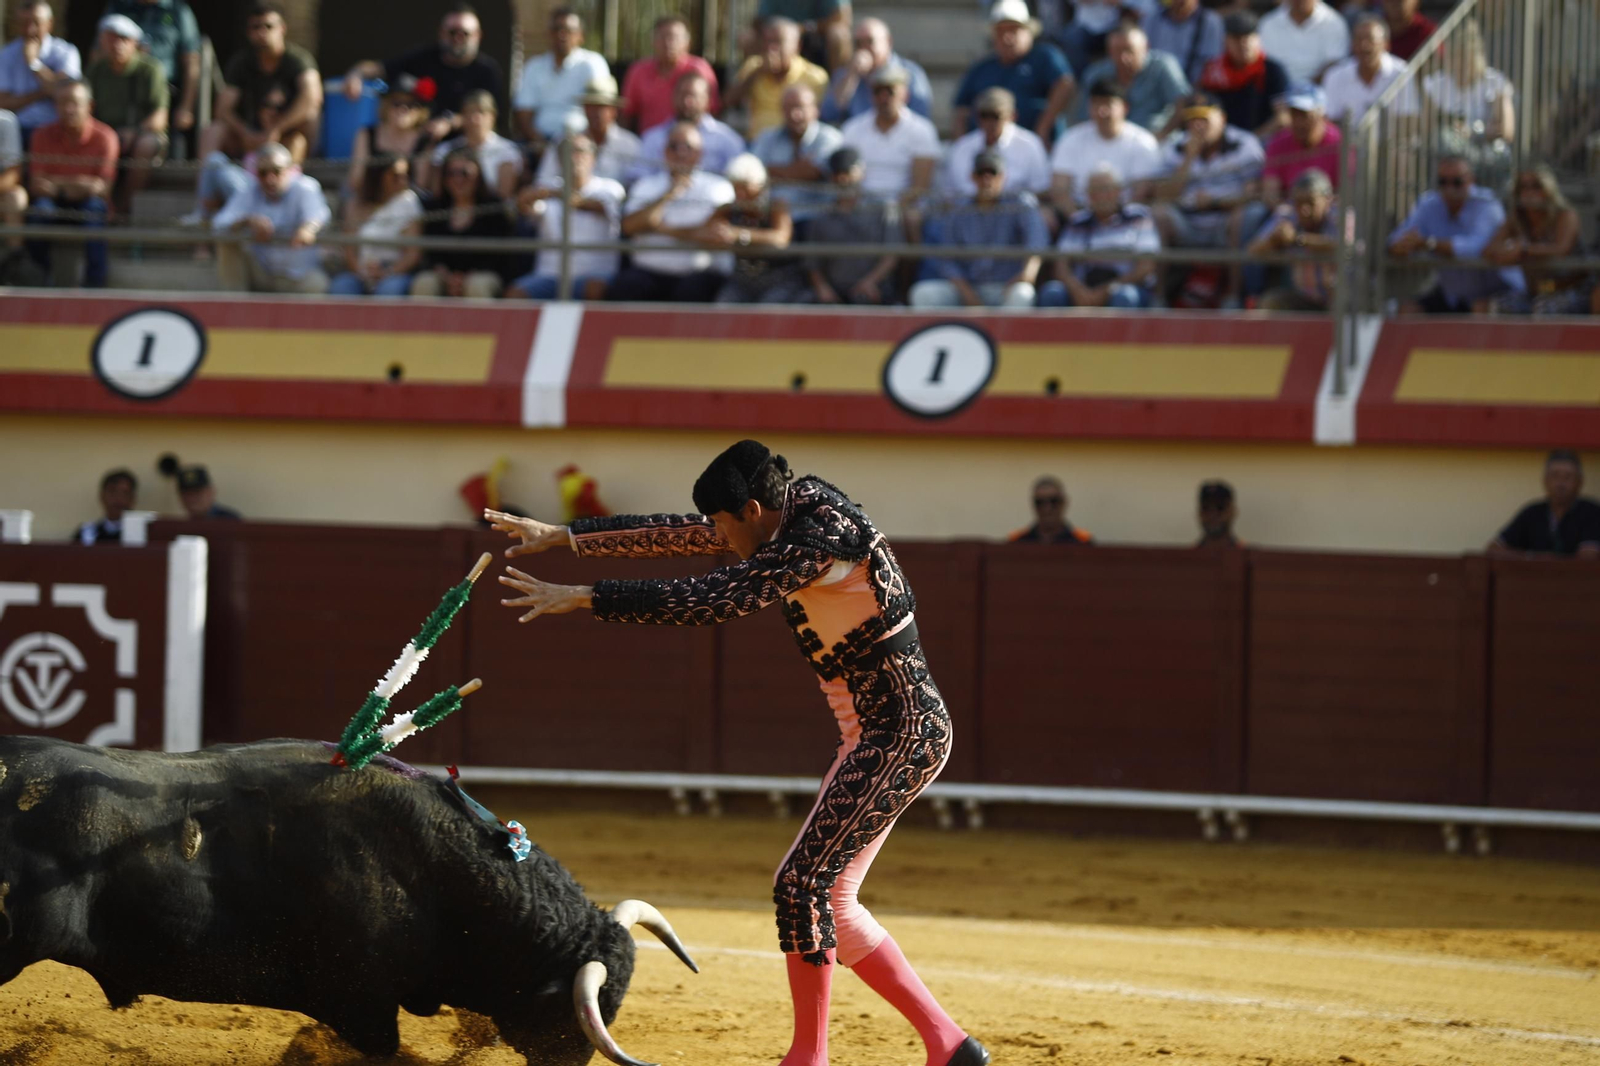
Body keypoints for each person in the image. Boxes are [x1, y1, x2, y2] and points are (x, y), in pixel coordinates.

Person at [487, 440, 991, 1066]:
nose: (719, 534)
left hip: (901, 732)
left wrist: (590, 596)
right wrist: (566, 534)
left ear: (753, 508)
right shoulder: (788, 510)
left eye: (726, 522)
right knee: (829, 898)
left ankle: (808, 1059)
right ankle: (949, 1046)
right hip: (878, 733)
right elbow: (687, 536)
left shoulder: (816, 539)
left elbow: (717, 597)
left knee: (802, 886)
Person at [1150, 92, 1266, 304]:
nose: (1198, 125)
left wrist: (1216, 202)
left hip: (1226, 221)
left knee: (1248, 215)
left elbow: (1255, 193)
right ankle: (1158, 299)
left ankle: (1233, 296)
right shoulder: (1176, 147)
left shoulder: (1244, 144)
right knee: (1158, 214)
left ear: (1222, 118)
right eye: (1193, 119)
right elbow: (1161, 195)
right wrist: (1188, 158)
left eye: (1204, 118)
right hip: (1188, 223)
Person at [341, 3, 507, 147]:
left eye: (464, 33)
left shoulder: (488, 71)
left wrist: (449, 122)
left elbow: (491, 116)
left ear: (477, 35)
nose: (457, 38)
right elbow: (378, 68)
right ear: (441, 33)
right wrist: (355, 74)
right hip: (420, 143)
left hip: (466, 148)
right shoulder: (423, 58)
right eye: (452, 32)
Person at [608, 121, 735, 302]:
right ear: (665, 152)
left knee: (691, 291)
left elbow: (714, 235)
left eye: (688, 147)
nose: (681, 153)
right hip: (649, 274)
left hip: (698, 276)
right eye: (674, 146)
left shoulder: (718, 187)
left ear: (700, 154)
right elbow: (628, 226)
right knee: (627, 285)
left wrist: (660, 228)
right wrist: (669, 195)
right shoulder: (646, 186)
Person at [910, 150, 1047, 309]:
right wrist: (968, 295)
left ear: (1003, 177)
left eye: (992, 173)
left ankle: (1008, 335)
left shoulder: (1021, 204)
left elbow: (1037, 244)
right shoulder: (959, 209)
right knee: (923, 294)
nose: (986, 179)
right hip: (968, 287)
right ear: (972, 177)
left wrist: (1025, 276)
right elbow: (947, 260)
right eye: (981, 174)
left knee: (1023, 294)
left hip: (1005, 287)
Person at [507, 134, 623, 301]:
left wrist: (555, 194)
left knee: (595, 290)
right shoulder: (547, 187)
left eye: (580, 151)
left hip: (594, 275)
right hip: (550, 276)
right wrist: (531, 195)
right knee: (515, 294)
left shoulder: (610, 187)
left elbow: (597, 206)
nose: (574, 157)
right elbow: (524, 205)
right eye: (567, 152)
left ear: (594, 157)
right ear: (559, 159)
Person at [202, 2, 320, 165]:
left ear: (282, 29)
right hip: (249, 138)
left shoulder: (298, 60)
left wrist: (277, 129)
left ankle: (295, 175)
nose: (262, 32)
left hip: (286, 137)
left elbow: (312, 99)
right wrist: (245, 133)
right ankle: (206, 183)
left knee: (310, 120)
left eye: (268, 26)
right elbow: (222, 109)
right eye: (256, 27)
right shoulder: (241, 63)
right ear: (248, 32)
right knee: (213, 131)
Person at [1388, 155, 1507, 314]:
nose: (1449, 188)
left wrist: (1428, 244)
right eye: (1443, 182)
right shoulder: (1430, 204)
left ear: (1471, 180)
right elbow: (1397, 238)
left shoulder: (1487, 205)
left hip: (1490, 294)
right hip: (1450, 295)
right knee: (1407, 311)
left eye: (1457, 182)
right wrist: (1401, 245)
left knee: (1482, 310)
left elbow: (1477, 248)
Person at [26, 82, 117, 288]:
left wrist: (57, 185)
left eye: (74, 103)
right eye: (62, 103)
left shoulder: (106, 137)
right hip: (52, 203)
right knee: (39, 211)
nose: (68, 109)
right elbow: (37, 185)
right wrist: (81, 183)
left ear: (90, 106)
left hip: (87, 204)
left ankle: (95, 287)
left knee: (95, 210)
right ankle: (39, 279)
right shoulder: (41, 135)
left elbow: (102, 189)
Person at [211, 141, 329, 294]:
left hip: (298, 276)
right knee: (226, 241)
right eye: (263, 172)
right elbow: (219, 224)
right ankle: (235, 306)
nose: (269, 179)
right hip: (262, 272)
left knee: (318, 285)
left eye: (276, 171)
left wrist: (308, 229)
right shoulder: (250, 190)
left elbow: (319, 215)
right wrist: (246, 221)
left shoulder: (305, 187)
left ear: (290, 170)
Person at [1039, 164, 1160, 308]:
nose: (1101, 196)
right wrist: (1078, 291)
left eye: (1106, 189)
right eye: (1094, 191)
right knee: (1052, 292)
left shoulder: (1138, 217)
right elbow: (1061, 265)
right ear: (1087, 195)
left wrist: (1106, 291)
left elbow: (1146, 267)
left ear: (1119, 191)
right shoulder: (1077, 222)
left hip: (1123, 289)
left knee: (1125, 296)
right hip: (1082, 289)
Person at [953, 0, 1075, 143]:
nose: (1007, 38)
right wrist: (962, 147)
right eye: (1001, 31)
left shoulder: (1044, 57)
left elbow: (1065, 84)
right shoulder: (981, 68)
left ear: (1029, 32)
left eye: (1013, 30)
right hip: (987, 151)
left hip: (1036, 147)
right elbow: (961, 111)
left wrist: (1043, 128)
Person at [1480, 164, 1589, 316]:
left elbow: (1561, 249)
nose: (1529, 192)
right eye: (1523, 187)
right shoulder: (1517, 219)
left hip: (1570, 290)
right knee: (1495, 306)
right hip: (1534, 293)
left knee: (1543, 309)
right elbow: (1488, 250)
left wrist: (1523, 250)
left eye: (1536, 186)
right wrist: (1508, 252)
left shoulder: (1565, 215)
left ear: (1548, 190)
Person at [86, 14, 166, 213]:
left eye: (124, 39)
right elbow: (86, 110)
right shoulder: (95, 70)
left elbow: (160, 117)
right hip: (104, 135)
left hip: (140, 135)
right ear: (101, 41)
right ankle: (95, 206)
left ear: (135, 44)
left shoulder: (150, 69)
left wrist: (135, 131)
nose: (117, 45)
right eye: (111, 38)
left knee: (146, 145)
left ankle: (125, 208)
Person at [803, 146, 900, 305]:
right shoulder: (821, 214)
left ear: (861, 173)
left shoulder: (883, 208)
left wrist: (870, 283)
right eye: (837, 174)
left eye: (847, 172)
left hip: (875, 290)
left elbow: (892, 254)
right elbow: (812, 261)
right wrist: (822, 287)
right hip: (833, 292)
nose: (843, 179)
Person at [1050, 79, 1162, 215]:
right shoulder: (1070, 138)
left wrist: (1114, 222)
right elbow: (1060, 189)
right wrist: (1078, 219)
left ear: (1125, 107)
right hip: (1078, 215)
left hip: (1128, 217)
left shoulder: (1143, 141)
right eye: (1096, 104)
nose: (1102, 111)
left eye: (1108, 104)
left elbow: (1142, 190)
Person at [412, 147, 512, 299]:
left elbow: (501, 256)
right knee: (425, 283)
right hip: (443, 275)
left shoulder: (494, 208)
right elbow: (429, 252)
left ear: (478, 175)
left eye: (465, 173)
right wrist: (445, 275)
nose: (458, 179)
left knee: (477, 285)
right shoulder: (435, 209)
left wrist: (468, 277)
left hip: (483, 274)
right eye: (451, 173)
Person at [707, 154, 806, 304]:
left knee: (766, 315)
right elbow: (705, 230)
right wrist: (717, 234)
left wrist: (740, 234)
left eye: (745, 189)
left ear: (759, 186)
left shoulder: (776, 206)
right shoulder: (728, 209)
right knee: (723, 310)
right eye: (736, 188)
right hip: (741, 281)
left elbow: (781, 238)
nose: (740, 195)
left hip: (778, 280)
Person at [100, 0, 202, 141]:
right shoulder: (119, 6)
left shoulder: (178, 11)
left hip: (166, 90)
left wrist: (186, 106)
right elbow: (99, 51)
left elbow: (191, 61)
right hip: (119, 88)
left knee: (149, 143)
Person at [839, 65, 940, 203]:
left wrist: (893, 208)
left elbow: (920, 186)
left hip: (903, 209)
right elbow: (845, 178)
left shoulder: (922, 130)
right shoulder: (852, 128)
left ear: (905, 95)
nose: (883, 98)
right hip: (861, 207)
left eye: (890, 91)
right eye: (877, 92)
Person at [513, 6, 610, 149]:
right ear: (549, 34)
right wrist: (540, 143)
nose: (562, 35)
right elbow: (524, 113)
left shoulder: (592, 63)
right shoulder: (534, 66)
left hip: (582, 143)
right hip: (539, 143)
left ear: (581, 35)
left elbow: (603, 110)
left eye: (568, 30)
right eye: (557, 29)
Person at [329, 154, 422, 297]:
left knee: (388, 291)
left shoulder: (409, 202)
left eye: (406, 174)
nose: (403, 180)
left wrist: (387, 272)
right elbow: (349, 250)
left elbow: (412, 254)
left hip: (394, 271)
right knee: (341, 288)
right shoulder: (357, 204)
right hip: (361, 270)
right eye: (396, 175)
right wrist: (362, 272)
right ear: (379, 175)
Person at [1069, 25, 1191, 134]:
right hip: (1108, 142)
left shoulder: (1163, 66)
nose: (1123, 57)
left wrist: (1161, 136)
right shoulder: (1096, 74)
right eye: (1117, 51)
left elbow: (1183, 103)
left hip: (1157, 140)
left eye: (1129, 50)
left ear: (1146, 48)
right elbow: (1082, 118)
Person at [1246, 167, 1338, 311]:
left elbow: (1344, 246)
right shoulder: (1288, 214)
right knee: (1271, 303)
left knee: (1341, 307)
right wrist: (1274, 240)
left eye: (1311, 202)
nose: (1304, 209)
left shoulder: (1339, 214)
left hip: (1341, 299)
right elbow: (1252, 250)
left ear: (1327, 200)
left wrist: (1298, 239)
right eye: (1299, 203)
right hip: (1305, 298)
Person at [726, 16, 829, 140]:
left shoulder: (815, 76)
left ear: (797, 46)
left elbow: (821, 118)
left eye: (778, 42)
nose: (771, 48)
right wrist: (756, 73)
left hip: (797, 145)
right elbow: (728, 101)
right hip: (758, 144)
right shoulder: (754, 66)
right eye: (767, 41)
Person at [749, 85, 842, 222]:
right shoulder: (767, 138)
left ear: (815, 110)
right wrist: (799, 169)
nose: (795, 114)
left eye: (800, 107)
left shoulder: (830, 137)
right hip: (773, 218)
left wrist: (771, 171)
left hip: (817, 219)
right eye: (789, 108)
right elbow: (753, 174)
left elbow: (813, 172)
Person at [820, 17, 932, 126]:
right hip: (857, 139)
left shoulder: (911, 73)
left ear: (888, 42)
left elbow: (920, 117)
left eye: (870, 41)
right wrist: (851, 76)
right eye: (858, 43)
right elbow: (829, 115)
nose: (864, 48)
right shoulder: (845, 74)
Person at [635, 72, 745, 181]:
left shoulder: (727, 139)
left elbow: (740, 180)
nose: (687, 102)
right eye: (682, 95)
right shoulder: (653, 138)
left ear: (708, 100)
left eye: (693, 96)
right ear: (673, 96)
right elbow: (638, 179)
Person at [535, 76, 640, 189]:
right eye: (591, 106)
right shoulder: (564, 140)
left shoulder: (630, 145)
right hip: (565, 204)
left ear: (614, 110)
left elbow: (636, 187)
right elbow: (543, 181)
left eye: (601, 107)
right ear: (584, 109)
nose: (595, 112)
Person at [1489, 451, 1600, 558]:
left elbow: (1588, 558)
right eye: (1555, 476)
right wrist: (1532, 557)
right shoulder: (1532, 513)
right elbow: (1493, 549)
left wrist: (1553, 562)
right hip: (1533, 577)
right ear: (1545, 480)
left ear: (1580, 482)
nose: (1560, 484)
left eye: (1568, 477)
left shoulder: (1592, 513)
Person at [1197, 11, 1290, 140]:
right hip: (1221, 143)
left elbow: (1283, 117)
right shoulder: (1214, 71)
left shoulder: (1272, 70)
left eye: (1248, 37)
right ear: (1226, 41)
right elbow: (1204, 109)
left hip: (1261, 140)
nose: (1243, 43)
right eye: (1236, 38)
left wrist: (1250, 140)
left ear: (1258, 38)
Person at [620, 15, 721, 133]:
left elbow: (713, 110)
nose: (668, 43)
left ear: (687, 42)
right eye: (662, 37)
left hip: (692, 146)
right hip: (649, 145)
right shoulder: (638, 71)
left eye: (674, 37)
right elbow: (626, 114)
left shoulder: (699, 69)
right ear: (653, 41)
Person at [1419, 19, 1513, 144]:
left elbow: (1506, 130)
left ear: (1477, 55)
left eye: (1465, 57)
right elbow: (1425, 128)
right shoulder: (1435, 83)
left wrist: (1473, 133)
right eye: (1454, 57)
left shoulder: (1495, 82)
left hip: (1484, 153)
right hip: (1446, 153)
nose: (1459, 64)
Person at [944, 87, 1050, 198]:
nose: (989, 122)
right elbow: (951, 192)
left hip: (1015, 211)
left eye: (995, 116)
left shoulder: (1030, 144)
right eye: (984, 115)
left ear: (1012, 116)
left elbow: (1040, 190)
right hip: (968, 211)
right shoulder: (962, 146)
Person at [0, 1, 82, 144]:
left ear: (49, 23)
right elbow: (3, 102)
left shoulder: (66, 52)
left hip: (57, 128)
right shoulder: (6, 54)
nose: (30, 30)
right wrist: (42, 92)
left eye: (36, 23)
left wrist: (34, 63)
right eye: (24, 23)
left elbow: (65, 95)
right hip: (17, 129)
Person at [421, 90, 519, 198]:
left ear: (493, 116)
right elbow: (435, 192)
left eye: (481, 112)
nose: (475, 118)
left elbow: (504, 196)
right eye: (470, 112)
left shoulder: (507, 150)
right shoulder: (445, 149)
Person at [345, 75, 430, 200]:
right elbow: (356, 180)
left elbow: (420, 185)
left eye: (411, 105)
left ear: (420, 111)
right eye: (397, 103)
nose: (403, 109)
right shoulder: (367, 134)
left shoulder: (425, 140)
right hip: (369, 201)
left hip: (405, 204)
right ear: (386, 106)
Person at [1322, 15, 1418, 124]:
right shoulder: (1335, 75)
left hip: (1392, 140)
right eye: (1359, 39)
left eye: (1371, 39)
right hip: (1347, 140)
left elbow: (1409, 118)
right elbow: (1330, 121)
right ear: (1352, 44)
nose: (1364, 46)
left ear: (1386, 44)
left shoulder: (1401, 73)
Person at [1261, 83, 1339, 206]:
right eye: (1294, 114)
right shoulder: (1278, 143)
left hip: (1331, 213)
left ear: (1321, 114)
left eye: (1304, 115)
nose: (1298, 121)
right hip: (1288, 212)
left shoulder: (1340, 145)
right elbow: (1271, 193)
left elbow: (1347, 192)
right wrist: (1288, 214)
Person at [1256, 0, 1349, 85]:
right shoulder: (1268, 23)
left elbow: (1335, 63)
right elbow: (1267, 62)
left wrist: (1308, 87)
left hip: (1321, 90)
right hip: (1278, 89)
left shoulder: (1334, 22)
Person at [1143, 0, 1225, 86]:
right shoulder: (1151, 18)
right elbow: (1144, 57)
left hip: (1194, 90)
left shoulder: (1211, 22)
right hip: (1155, 88)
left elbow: (1212, 64)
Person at [755, 0, 853, 69]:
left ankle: (837, 88)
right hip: (782, 39)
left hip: (821, 38)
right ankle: (759, 87)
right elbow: (759, 21)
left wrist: (804, 28)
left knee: (839, 34)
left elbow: (842, 18)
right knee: (748, 38)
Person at [1008, 475, 1093, 542]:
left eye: (1053, 501)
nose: (1047, 508)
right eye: (1040, 502)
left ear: (1064, 502)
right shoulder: (1018, 541)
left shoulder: (1082, 541)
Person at [76, 468, 137, 545]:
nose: (118, 498)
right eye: (112, 492)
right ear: (102, 496)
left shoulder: (145, 533)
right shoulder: (86, 533)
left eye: (124, 493)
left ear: (133, 498)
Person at [164, 460, 242, 521]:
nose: (193, 499)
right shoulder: (179, 526)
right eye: (187, 494)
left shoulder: (230, 521)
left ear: (211, 492)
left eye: (197, 492)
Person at [0, 107, 24, 236]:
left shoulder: (5, 120)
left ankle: (16, 252)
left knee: (16, 197)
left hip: (1, 193)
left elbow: (13, 174)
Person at [1196, 480, 1239, 548]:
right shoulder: (1187, 557)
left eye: (1220, 508)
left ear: (1233, 511)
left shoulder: (1251, 556)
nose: (1212, 515)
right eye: (1206, 508)